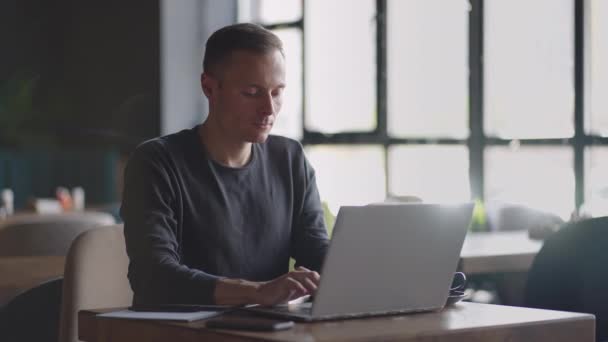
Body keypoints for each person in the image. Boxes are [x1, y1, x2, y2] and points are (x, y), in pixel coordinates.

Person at [120, 23, 329, 307]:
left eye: (277, 92)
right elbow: (154, 276)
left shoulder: (290, 159)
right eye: (252, 92)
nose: (268, 108)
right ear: (209, 87)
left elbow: (318, 256)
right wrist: (257, 292)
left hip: (266, 330)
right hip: (178, 332)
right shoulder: (156, 162)